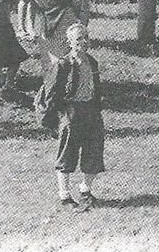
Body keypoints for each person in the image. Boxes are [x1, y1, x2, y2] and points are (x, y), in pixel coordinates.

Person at [36, 23, 104, 211]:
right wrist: (58, 116)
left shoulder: (92, 62)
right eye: (79, 39)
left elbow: (96, 89)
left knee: (94, 151)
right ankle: (64, 196)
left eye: (86, 37)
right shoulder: (63, 64)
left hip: (90, 110)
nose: (83, 42)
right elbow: (51, 93)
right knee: (67, 153)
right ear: (70, 42)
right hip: (71, 111)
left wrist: (96, 109)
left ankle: (85, 190)